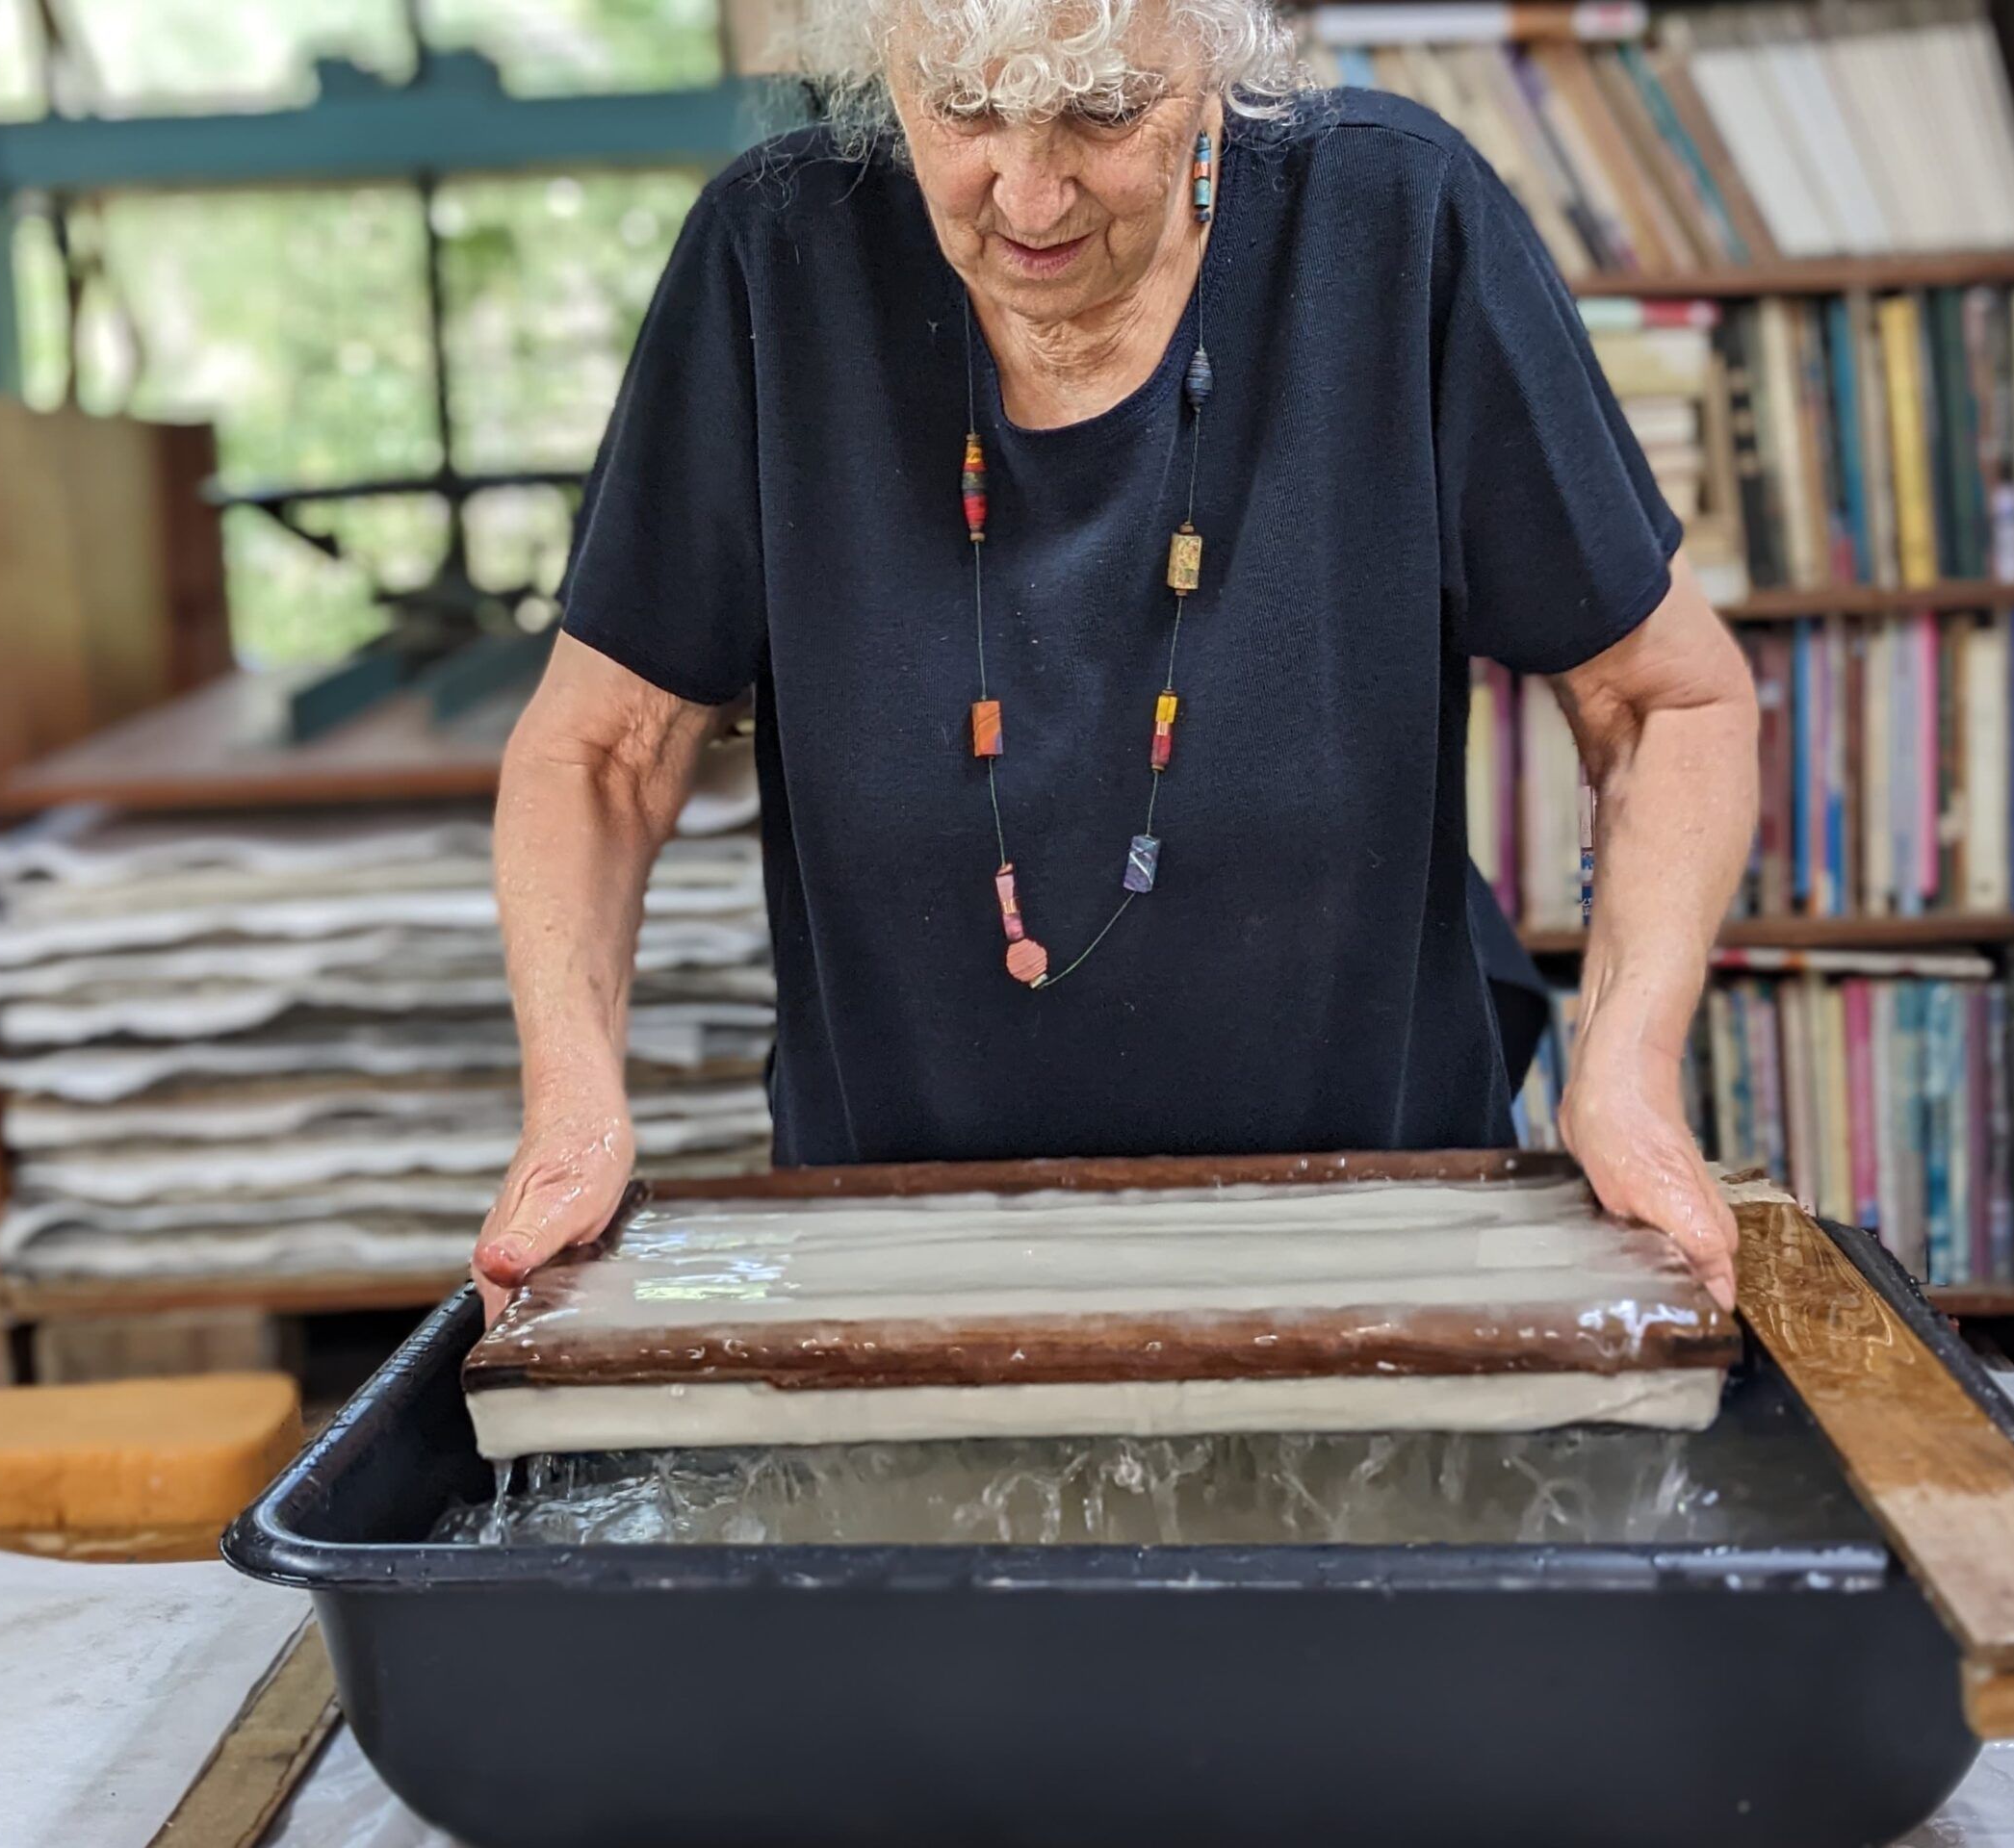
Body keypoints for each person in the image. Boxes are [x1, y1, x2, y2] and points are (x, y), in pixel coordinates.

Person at [471, 0, 1760, 1323]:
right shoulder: (775, 253)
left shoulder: (1396, 221)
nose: (1026, 192)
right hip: (898, 1257)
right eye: (964, 109)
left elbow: (1666, 700)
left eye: (1100, 110)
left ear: (1216, 64)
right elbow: (603, 751)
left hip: (1379, 1237)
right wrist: (571, 1106)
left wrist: (1627, 1069)